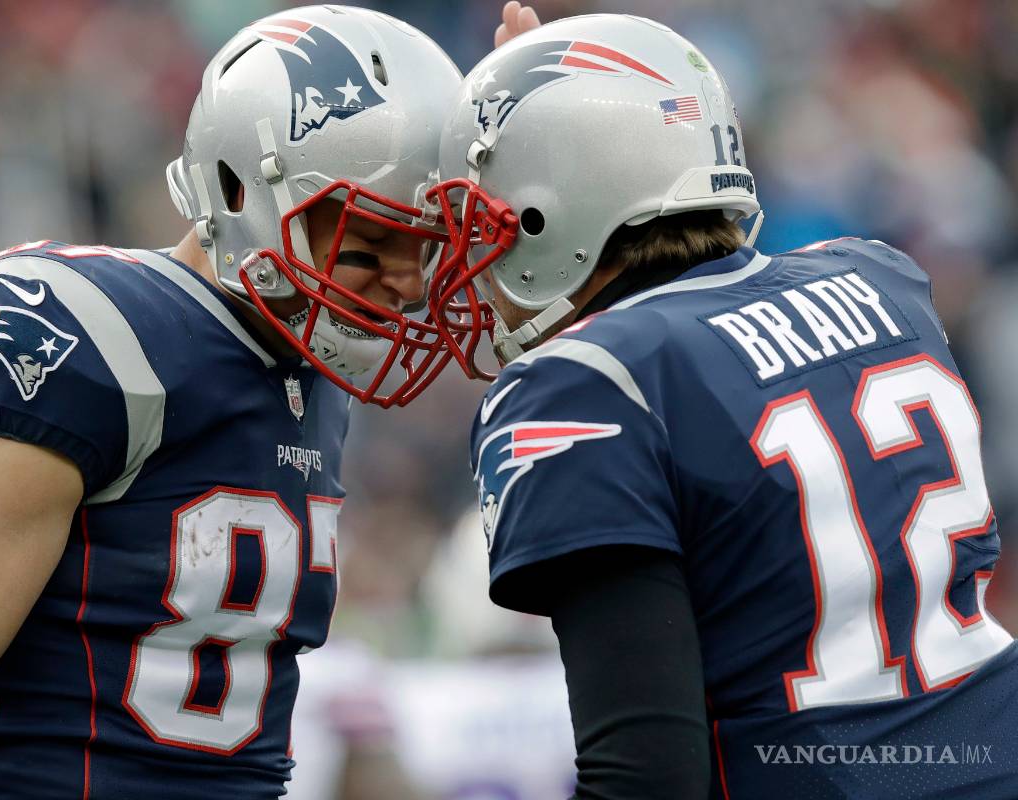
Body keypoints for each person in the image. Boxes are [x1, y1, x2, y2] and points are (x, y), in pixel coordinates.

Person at [0, 6, 468, 799]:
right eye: (371, 244)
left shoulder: (305, 370)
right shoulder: (87, 330)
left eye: (427, 248)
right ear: (241, 188)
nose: (406, 287)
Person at [427, 13, 1018, 800]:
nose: (474, 255)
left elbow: (646, 776)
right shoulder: (880, 278)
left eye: (490, 221)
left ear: (549, 211)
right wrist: (536, 118)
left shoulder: (582, 383)